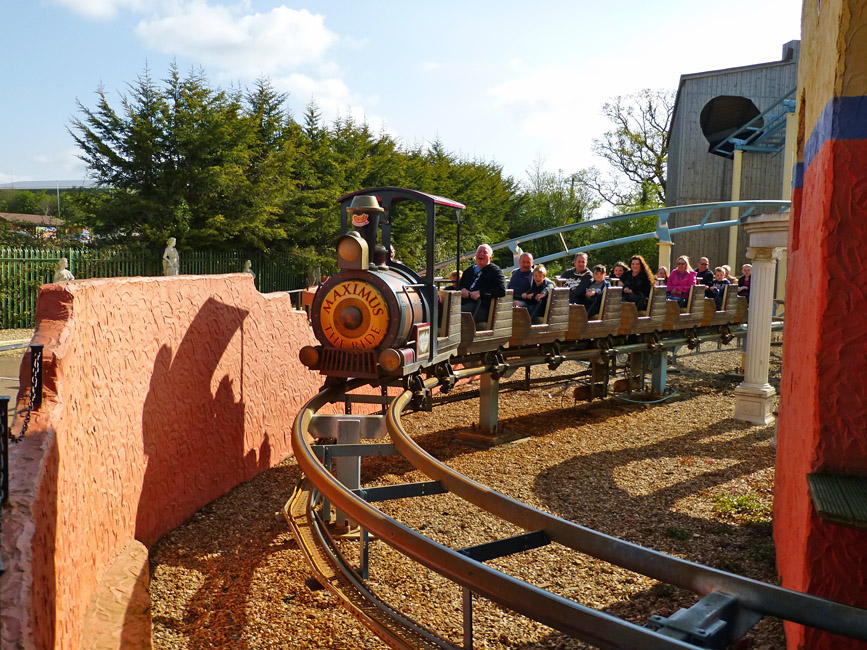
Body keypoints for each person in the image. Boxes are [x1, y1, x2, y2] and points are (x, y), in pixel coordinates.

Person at [459, 244, 506, 324]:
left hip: (481, 307)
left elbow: (501, 291)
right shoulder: (469, 271)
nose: (481, 254)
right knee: (445, 307)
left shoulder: (495, 272)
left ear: (490, 258)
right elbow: (460, 285)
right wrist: (462, 289)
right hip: (464, 302)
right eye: (479, 252)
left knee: (457, 312)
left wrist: (481, 293)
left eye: (485, 252)